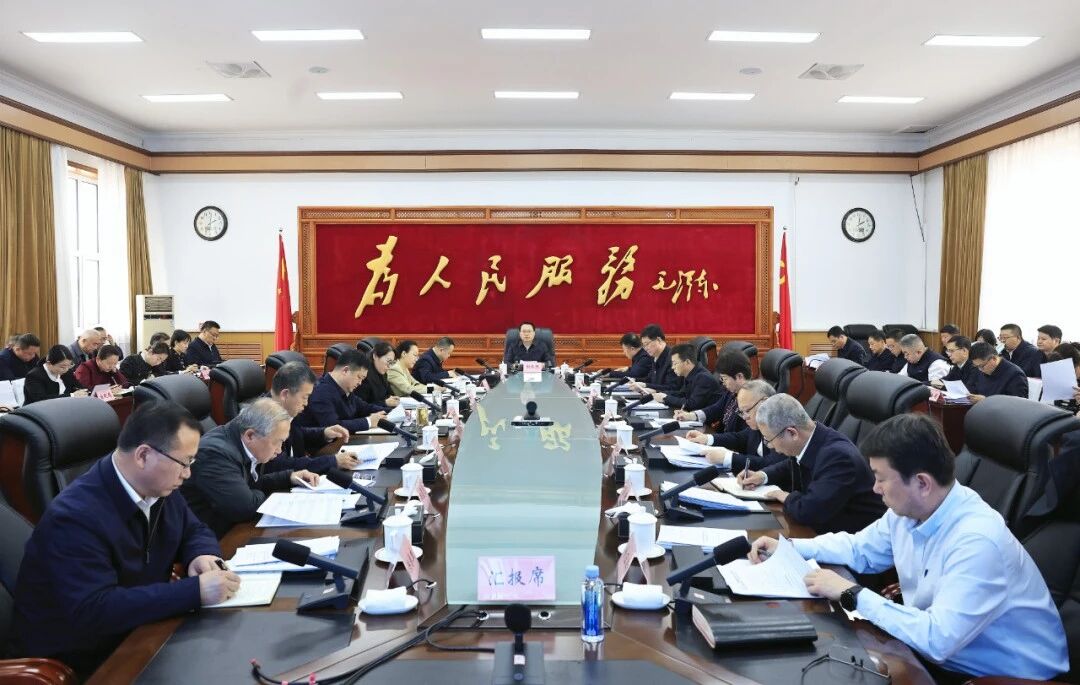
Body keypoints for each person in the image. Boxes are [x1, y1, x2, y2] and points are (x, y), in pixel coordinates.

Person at [749, 413, 1067, 682]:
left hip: (1003, 674)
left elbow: (938, 640)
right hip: (939, 649)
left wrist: (850, 593)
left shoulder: (977, 540)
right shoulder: (909, 511)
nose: (875, 489)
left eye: (880, 479)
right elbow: (859, 549)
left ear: (922, 483)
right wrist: (791, 547)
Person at [12, 402, 240, 676]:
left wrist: (201, 554)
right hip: (87, 658)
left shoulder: (157, 486)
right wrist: (194, 591)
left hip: (140, 629)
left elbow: (194, 529)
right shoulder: (74, 517)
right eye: (185, 462)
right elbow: (95, 609)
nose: (188, 473)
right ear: (143, 455)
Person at [737, 394, 885, 534]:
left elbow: (808, 512)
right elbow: (791, 465)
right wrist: (762, 476)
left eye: (768, 440)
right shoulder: (813, 439)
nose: (770, 446)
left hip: (853, 542)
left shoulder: (838, 457)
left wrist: (785, 496)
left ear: (792, 433)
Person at [181, 399, 320, 537]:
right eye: (277, 442)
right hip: (213, 538)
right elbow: (244, 508)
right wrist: (254, 493)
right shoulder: (215, 454)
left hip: (231, 528)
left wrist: (289, 477)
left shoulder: (242, 439)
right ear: (250, 435)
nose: (279, 450)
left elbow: (249, 485)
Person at [264, 361, 354, 473]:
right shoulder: (265, 418)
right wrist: (332, 461)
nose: (306, 403)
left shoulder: (286, 408)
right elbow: (279, 465)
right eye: (304, 397)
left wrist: (324, 433)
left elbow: (297, 434)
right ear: (285, 394)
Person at [685, 380, 784, 472]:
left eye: (747, 410)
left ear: (764, 403)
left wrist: (728, 458)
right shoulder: (757, 425)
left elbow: (771, 463)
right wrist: (707, 438)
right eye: (741, 412)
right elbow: (739, 438)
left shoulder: (781, 427)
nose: (744, 417)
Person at [298, 349, 388, 434]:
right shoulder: (320, 392)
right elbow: (333, 427)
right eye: (359, 377)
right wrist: (368, 421)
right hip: (322, 444)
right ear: (345, 370)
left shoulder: (345, 388)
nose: (360, 383)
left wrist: (391, 412)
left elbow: (365, 408)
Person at [677, 349, 751, 432]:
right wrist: (691, 415)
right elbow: (716, 409)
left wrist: (709, 438)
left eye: (725, 378)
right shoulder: (731, 392)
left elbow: (742, 436)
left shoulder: (750, 402)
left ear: (739, 376)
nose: (723, 383)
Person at [651, 343, 722, 411]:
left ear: (687, 362)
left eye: (675, 363)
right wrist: (660, 393)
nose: (672, 367)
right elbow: (682, 394)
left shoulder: (704, 378)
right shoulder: (691, 373)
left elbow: (692, 404)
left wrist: (665, 398)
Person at [22, 345, 88, 404]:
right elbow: (41, 399)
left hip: (63, 407)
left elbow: (78, 387)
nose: (66, 369)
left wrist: (83, 392)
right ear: (49, 364)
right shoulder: (34, 376)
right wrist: (72, 395)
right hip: (36, 410)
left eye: (69, 365)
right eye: (62, 367)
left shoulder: (67, 372)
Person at [630, 323, 680, 393]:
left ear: (658, 340)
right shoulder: (655, 356)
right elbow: (651, 379)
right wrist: (635, 381)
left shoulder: (673, 358)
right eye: (644, 345)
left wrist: (646, 386)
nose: (645, 348)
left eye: (647, 344)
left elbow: (671, 387)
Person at [357, 342, 398, 408]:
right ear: (375, 356)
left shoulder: (383, 373)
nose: (389, 366)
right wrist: (385, 403)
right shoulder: (364, 376)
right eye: (388, 361)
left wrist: (394, 399)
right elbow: (361, 406)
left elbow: (390, 394)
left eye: (392, 363)